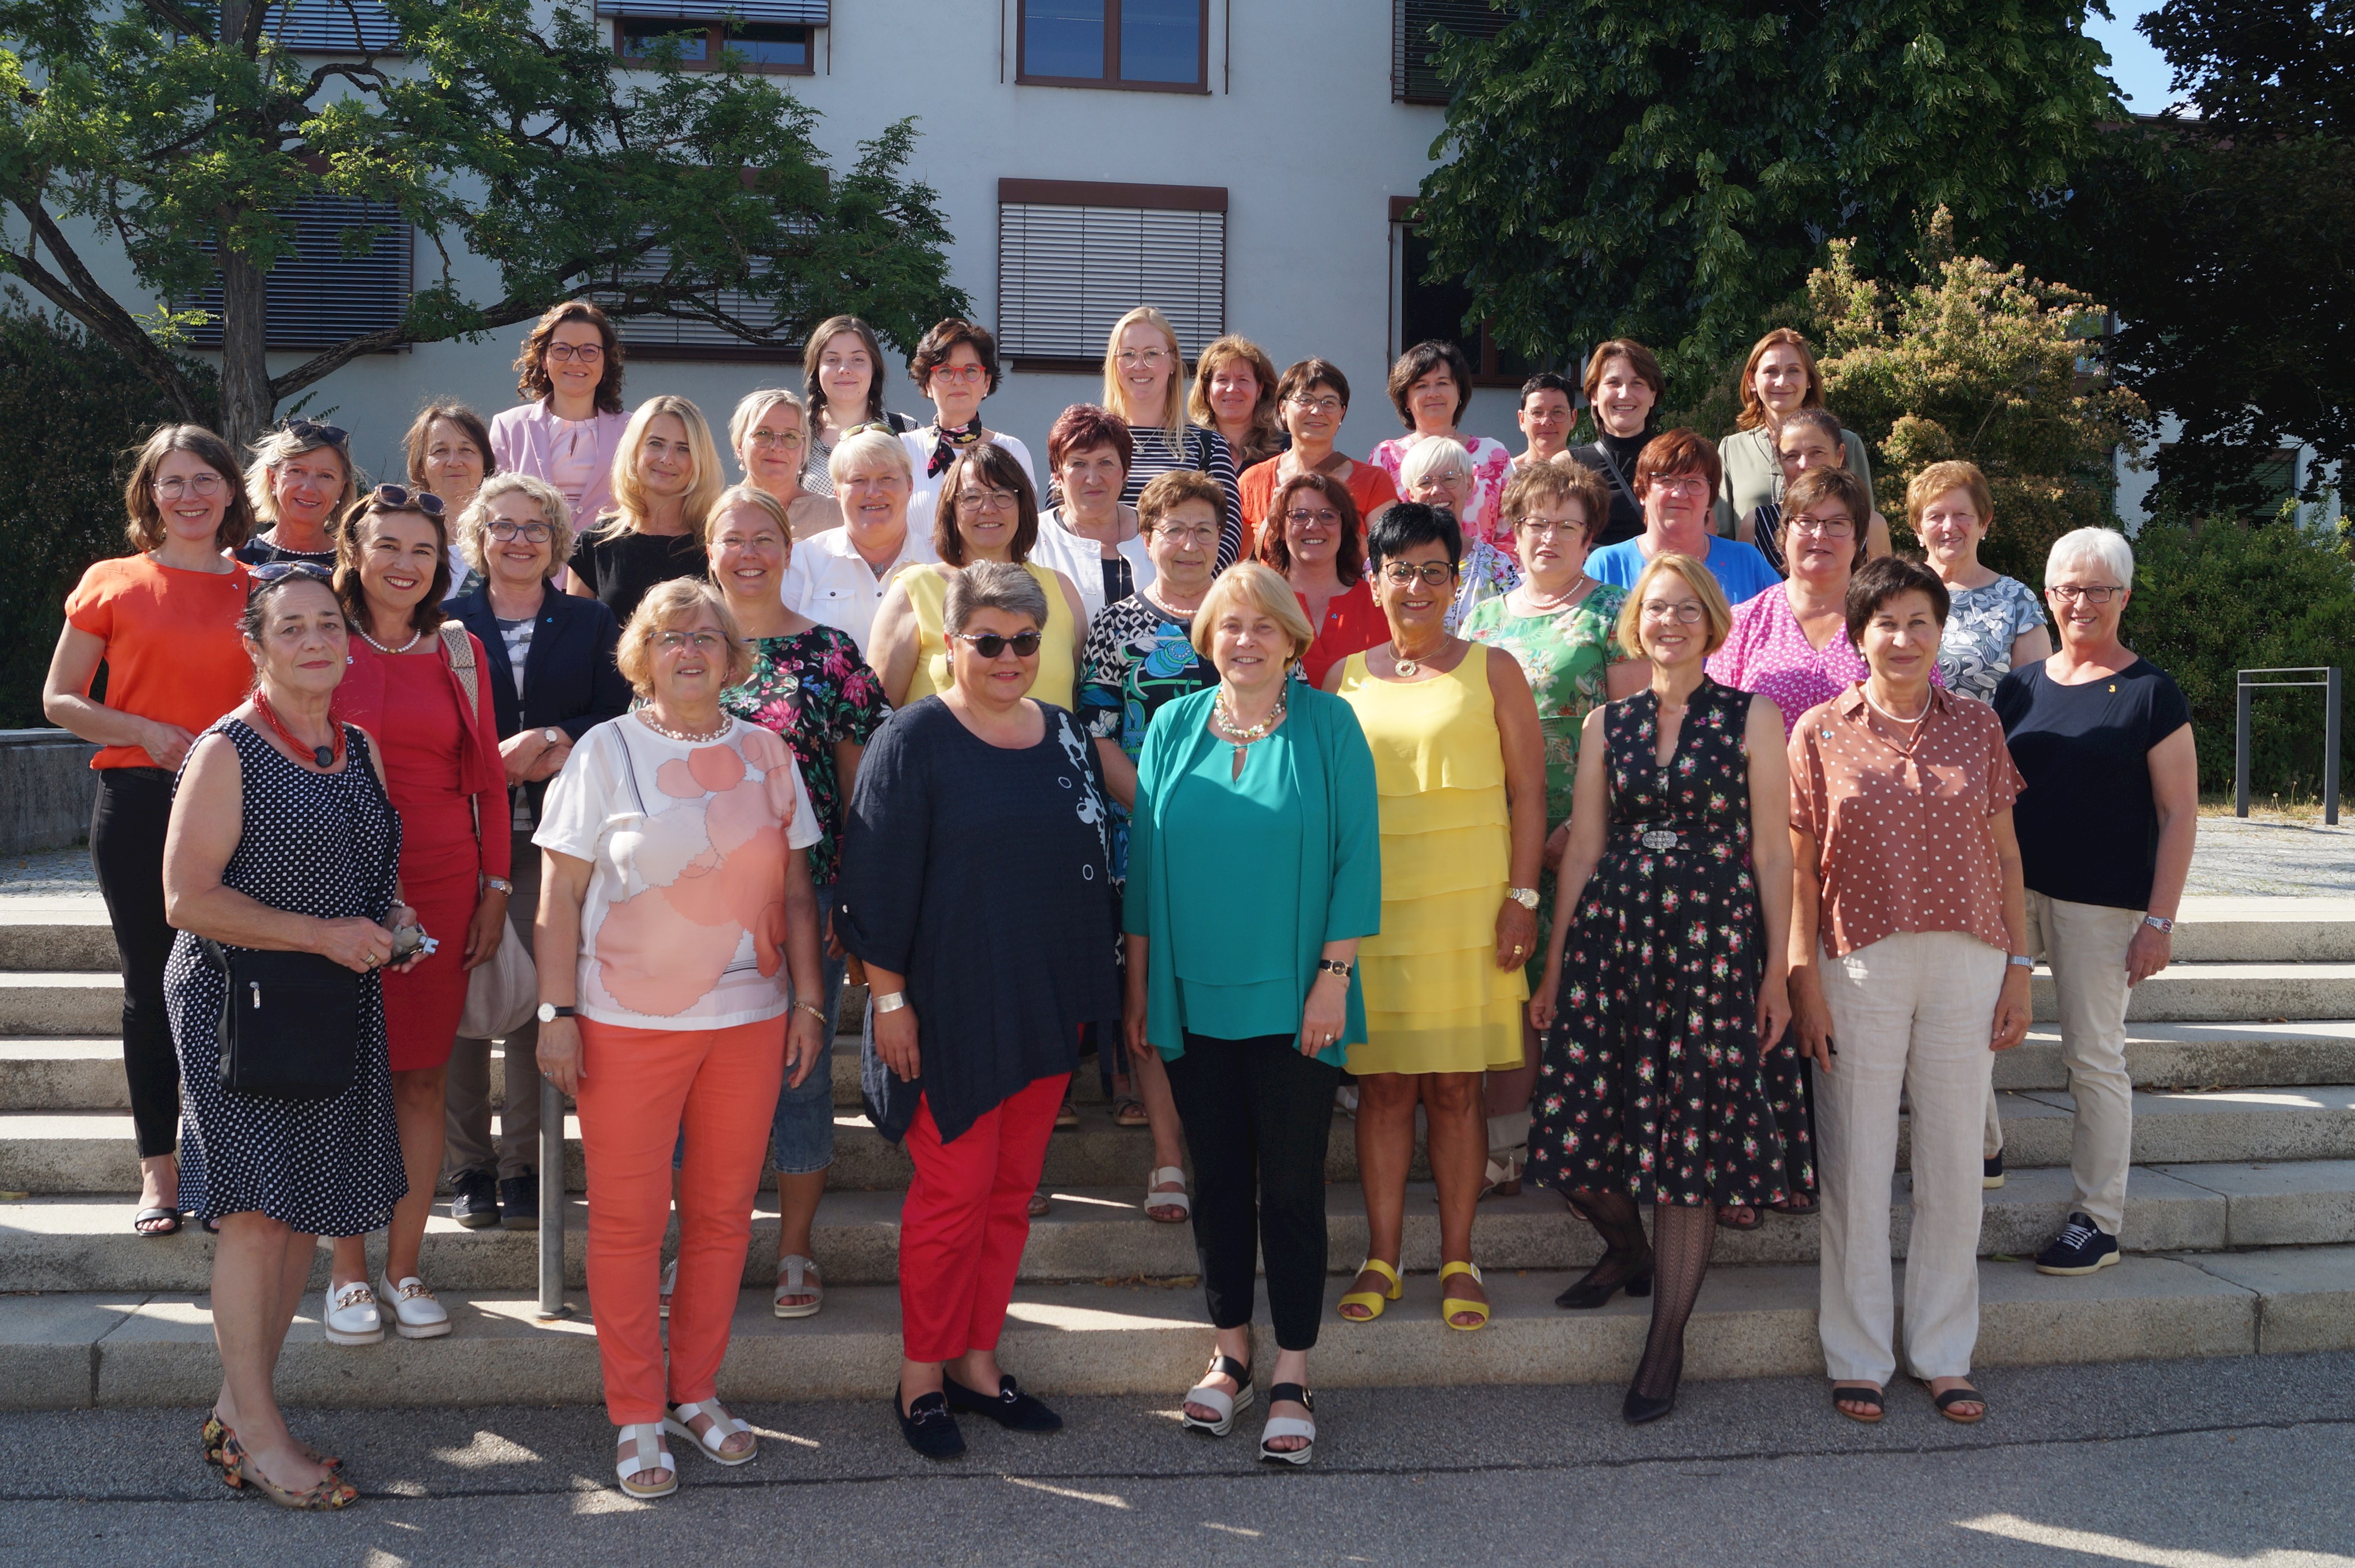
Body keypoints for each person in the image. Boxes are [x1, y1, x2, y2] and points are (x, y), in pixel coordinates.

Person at [534, 578, 827, 1497]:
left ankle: (694, 1391)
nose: (691, 650)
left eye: (708, 636)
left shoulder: (769, 750)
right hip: (623, 1024)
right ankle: (634, 1409)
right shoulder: (604, 749)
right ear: (644, 653)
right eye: (671, 636)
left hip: (749, 1020)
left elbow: (793, 893)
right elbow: (558, 899)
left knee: (722, 1217)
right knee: (627, 1224)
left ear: (736, 658)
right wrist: (555, 1014)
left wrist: (811, 1001)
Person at [835, 561, 1122, 1461]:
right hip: (946, 1005)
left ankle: (977, 1361)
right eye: (987, 640)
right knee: (952, 1197)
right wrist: (889, 1000)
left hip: (1046, 1003)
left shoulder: (1068, 733)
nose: (1008, 657)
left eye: (1025, 641)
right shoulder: (912, 739)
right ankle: (921, 1375)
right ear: (947, 643)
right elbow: (873, 879)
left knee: (1007, 1196)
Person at [1526, 552, 1801, 1424]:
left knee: (1687, 1146)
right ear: (1635, 623)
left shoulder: (1754, 714)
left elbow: (1771, 851)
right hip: (1618, 942)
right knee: (1574, 1130)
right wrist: (1559, 960)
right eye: (1656, 609)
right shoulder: (1610, 721)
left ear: (1712, 621)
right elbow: (1585, 847)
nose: (1670, 622)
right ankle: (1628, 1250)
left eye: (1687, 608)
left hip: (1715, 946)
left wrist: (1777, 970)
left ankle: (1666, 1340)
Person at [163, 565, 409, 1511]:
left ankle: (241, 1411)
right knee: (258, 1215)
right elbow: (186, 898)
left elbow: (371, 873)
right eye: (292, 627)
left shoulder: (358, 746)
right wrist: (323, 934)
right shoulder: (227, 750)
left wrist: (396, 918)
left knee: (301, 1207)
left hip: (332, 1000)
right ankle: (260, 1435)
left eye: (328, 625)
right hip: (242, 1006)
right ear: (257, 647)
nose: (315, 640)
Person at [1124, 562, 1380, 1466]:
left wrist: (1334, 975)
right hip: (1194, 998)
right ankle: (1231, 1351)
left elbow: (1357, 855)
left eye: (1263, 625)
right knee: (1221, 1182)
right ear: (1209, 638)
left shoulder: (1330, 723)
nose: (1245, 639)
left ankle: (1294, 1371)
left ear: (1291, 638)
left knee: (1295, 1185)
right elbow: (1145, 869)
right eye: (1229, 625)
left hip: (1299, 1000)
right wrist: (1144, 990)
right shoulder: (1171, 726)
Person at [1788, 555, 2031, 1427]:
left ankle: (1942, 1352)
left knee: (1954, 1164)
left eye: (1919, 621)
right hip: (1859, 962)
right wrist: (1802, 978)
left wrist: (2019, 967)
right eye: (1885, 621)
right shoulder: (1818, 729)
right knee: (1854, 1163)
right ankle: (1857, 1353)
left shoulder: (1977, 727)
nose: (1903, 637)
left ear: (1941, 632)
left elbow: (2007, 856)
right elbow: (1799, 873)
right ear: (1859, 634)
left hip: (1968, 959)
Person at [1324, 502, 1547, 1335]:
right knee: (1383, 1089)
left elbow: (1531, 793)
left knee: (1458, 1089)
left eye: (1433, 570)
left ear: (1457, 581)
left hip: (1471, 911)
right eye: (1399, 570)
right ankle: (1383, 1254)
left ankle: (1459, 1255)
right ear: (1373, 579)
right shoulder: (1341, 676)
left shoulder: (1496, 669)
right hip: (1373, 916)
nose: (1415, 585)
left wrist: (1521, 898)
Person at [42, 425, 256, 1236]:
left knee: (239, 982)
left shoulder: (257, 590)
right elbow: (60, 697)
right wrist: (144, 726)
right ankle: (159, 1174)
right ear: (150, 493)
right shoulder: (112, 581)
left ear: (232, 491)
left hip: (239, 802)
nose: (191, 495)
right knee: (149, 987)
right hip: (137, 795)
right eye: (173, 481)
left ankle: (233, 1161)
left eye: (206, 479)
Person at [324, 485, 510, 1346]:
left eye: (423, 550)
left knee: (423, 1077)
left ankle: (406, 1264)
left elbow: (488, 781)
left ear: (442, 564)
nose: (405, 563)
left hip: (440, 881)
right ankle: (347, 1270)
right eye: (388, 545)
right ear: (355, 551)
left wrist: (497, 888)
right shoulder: (317, 635)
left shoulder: (460, 649)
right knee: (345, 1078)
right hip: (330, 881)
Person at [706, 483, 892, 1314]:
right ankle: (704, 1244)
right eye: (730, 538)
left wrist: (854, 900)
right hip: (690, 902)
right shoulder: (679, 641)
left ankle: (795, 1249)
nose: (747, 552)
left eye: (762, 537)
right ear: (708, 551)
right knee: (696, 1071)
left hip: (803, 893)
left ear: (788, 550)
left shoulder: (832, 652)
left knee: (800, 1070)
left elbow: (862, 793)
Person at [1992, 528, 2197, 1277]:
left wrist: (2159, 919)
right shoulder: (2019, 687)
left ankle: (2096, 1219)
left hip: (2103, 907)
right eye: (2068, 589)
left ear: (2124, 597)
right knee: (1967, 1029)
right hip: (2014, 895)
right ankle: (1983, 1151)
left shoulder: (2150, 692)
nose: (2082, 602)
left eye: (2098, 589)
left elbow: (2179, 812)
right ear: (2048, 596)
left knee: (2093, 1059)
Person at [443, 474, 630, 1231]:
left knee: (533, 1000)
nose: (519, 539)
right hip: (459, 836)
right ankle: (468, 1167)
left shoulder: (589, 621)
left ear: (557, 540)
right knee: (459, 999)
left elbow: (620, 713)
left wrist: (556, 737)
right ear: (478, 538)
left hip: (554, 838)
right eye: (503, 525)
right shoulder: (444, 622)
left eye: (535, 527)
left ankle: (523, 1165)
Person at [1461, 461, 1646, 1197]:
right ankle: (1504, 1146)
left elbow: (1634, 731)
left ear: (1589, 535)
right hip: (1491, 833)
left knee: (1572, 990)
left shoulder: (1613, 614)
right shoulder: (1483, 617)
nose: (1548, 536)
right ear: (1512, 528)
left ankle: (1587, 1143)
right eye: (1535, 522)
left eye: (1566, 524)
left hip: (1584, 837)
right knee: (1507, 985)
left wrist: (1582, 827)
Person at [1077, 470, 1224, 1219]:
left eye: (1204, 528)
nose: (1190, 542)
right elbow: (1097, 737)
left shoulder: (1249, 614)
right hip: (1150, 841)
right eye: (1176, 528)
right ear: (1149, 537)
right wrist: (1166, 814)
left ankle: (1229, 1155)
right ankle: (1168, 1157)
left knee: (1227, 1006)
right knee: (1156, 1005)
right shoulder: (1115, 626)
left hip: (1242, 852)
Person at [866, 443, 1088, 712]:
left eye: (1002, 495)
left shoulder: (1061, 590)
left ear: (1022, 505)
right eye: (971, 497)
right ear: (952, 508)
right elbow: (875, 716)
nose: (988, 508)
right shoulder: (913, 591)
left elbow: (1078, 707)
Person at [1707, 466, 1886, 741]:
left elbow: (1925, 716)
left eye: (1837, 523)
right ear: (1784, 533)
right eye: (1806, 521)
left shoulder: (1889, 620)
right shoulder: (1743, 623)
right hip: (1763, 783)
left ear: (1859, 538)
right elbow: (1715, 726)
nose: (1819, 535)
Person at [1096, 306, 1242, 566]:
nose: (1139, 366)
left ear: (1173, 361)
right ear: (1114, 363)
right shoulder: (1088, 441)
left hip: (1181, 597)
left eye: (1152, 354)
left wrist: (1189, 591)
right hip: (1094, 595)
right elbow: (1058, 525)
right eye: (1128, 355)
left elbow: (1228, 536)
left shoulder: (1208, 446)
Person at [566, 394, 721, 622]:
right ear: (635, 449)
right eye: (656, 444)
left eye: (683, 449)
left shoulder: (719, 544)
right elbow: (577, 642)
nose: (667, 459)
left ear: (700, 459)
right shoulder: (593, 545)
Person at [784, 428, 939, 653]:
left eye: (887, 478)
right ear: (837, 492)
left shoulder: (939, 563)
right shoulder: (801, 564)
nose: (874, 492)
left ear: (910, 486)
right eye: (858, 480)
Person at [1585, 430, 1781, 607]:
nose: (1680, 493)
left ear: (1710, 498)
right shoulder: (1607, 566)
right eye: (1666, 480)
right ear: (1642, 492)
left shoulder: (1747, 562)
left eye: (1694, 482)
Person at [1715, 328, 1877, 538]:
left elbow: (1867, 527)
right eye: (1771, 371)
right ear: (1752, 381)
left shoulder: (1845, 442)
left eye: (1793, 371)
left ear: (1809, 379)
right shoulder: (1732, 449)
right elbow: (1722, 534)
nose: (1782, 382)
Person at [489, 300, 631, 534]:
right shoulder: (508, 427)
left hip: (603, 563)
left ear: (605, 361)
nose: (575, 361)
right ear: (544, 359)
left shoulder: (634, 430)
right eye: (562, 349)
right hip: (531, 562)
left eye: (589, 351)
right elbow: (493, 507)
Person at [1916, 460, 2051, 703]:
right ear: (1918, 528)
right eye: (1936, 516)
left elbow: (2038, 701)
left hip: (1991, 740)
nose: (1949, 527)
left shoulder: (2015, 601)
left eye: (1962, 515)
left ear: (1984, 523)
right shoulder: (1893, 593)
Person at [1235, 358, 1397, 554]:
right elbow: (1238, 563)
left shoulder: (1374, 481)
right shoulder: (1252, 481)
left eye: (1329, 402)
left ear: (1341, 414)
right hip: (1274, 586)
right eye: (1305, 400)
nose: (1317, 411)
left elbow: (1384, 558)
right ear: (1283, 409)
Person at [1367, 340, 1515, 552]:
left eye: (1443, 383)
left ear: (1460, 391)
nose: (1433, 393)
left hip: (1484, 579)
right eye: (1421, 386)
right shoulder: (1386, 455)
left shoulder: (1493, 454)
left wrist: (1491, 576)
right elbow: (1380, 537)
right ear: (1406, 400)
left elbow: (1511, 534)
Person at [900, 317, 1035, 531]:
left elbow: (1028, 533)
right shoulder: (902, 450)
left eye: (971, 370)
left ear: (986, 382)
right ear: (927, 384)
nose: (959, 380)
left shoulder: (1011, 451)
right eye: (945, 371)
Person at [1030, 403, 1156, 622]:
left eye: (1105, 463)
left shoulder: (1157, 531)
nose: (1093, 479)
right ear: (1057, 475)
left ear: (1125, 472)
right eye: (1078, 464)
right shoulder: (1032, 538)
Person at [1263, 471, 1386, 688]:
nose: (1313, 526)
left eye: (1327, 515)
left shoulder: (1381, 603)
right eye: (1300, 515)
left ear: (1344, 528)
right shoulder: (1260, 603)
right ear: (1281, 529)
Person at [1732, 407, 1893, 572]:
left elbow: (1883, 594)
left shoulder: (1871, 525)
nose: (1804, 465)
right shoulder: (1756, 524)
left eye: (1817, 453)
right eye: (1792, 456)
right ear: (1780, 460)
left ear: (1840, 455)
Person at [1397, 435, 1520, 631]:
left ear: (1469, 486)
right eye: (1425, 483)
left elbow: (1517, 631)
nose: (1437, 490)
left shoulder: (1496, 564)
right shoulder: (1392, 564)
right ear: (1410, 494)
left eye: (1449, 479)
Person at [800, 314, 918, 499]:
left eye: (858, 360)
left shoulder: (907, 432)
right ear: (816, 370)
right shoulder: (795, 436)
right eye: (832, 360)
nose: (845, 369)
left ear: (874, 368)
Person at [1562, 338, 1664, 549]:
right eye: (1613, 383)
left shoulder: (1677, 460)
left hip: (1660, 579)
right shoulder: (1567, 466)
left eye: (1637, 383)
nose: (1625, 394)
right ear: (1593, 395)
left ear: (1653, 395)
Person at [236, 420, 360, 568]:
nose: (309, 488)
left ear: (341, 489)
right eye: (297, 471)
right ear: (273, 479)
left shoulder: (355, 566)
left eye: (326, 476)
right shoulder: (235, 562)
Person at [403, 402, 496, 597]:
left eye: (466, 450)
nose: (454, 462)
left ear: (484, 463)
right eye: (440, 451)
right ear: (421, 466)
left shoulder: (503, 536)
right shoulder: (402, 538)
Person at [728, 388, 838, 539]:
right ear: (739, 446)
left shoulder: (837, 514)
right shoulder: (723, 513)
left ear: (804, 449)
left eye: (790, 436)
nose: (777, 447)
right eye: (763, 434)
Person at [1187, 333, 1287, 473]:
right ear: (1207, 390)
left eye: (1243, 380)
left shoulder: (1286, 450)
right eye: (1222, 379)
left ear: (1259, 389)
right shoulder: (1188, 449)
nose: (1232, 389)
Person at [1514, 371, 1577, 468]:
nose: (1547, 422)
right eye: (1537, 412)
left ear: (1573, 418)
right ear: (1522, 420)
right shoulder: (1503, 477)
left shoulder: (1590, 478)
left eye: (1557, 412)